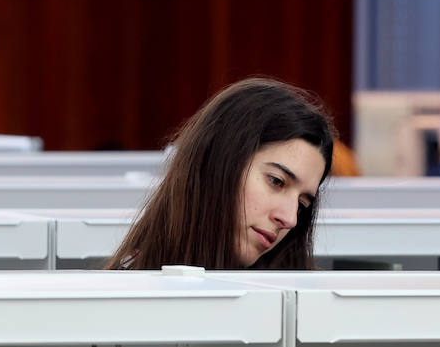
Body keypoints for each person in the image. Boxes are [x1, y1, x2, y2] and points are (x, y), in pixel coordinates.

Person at [107, 78, 335, 271]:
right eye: (276, 181)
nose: (290, 219)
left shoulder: (300, 311)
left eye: (302, 205)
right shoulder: (122, 296)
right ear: (220, 163)